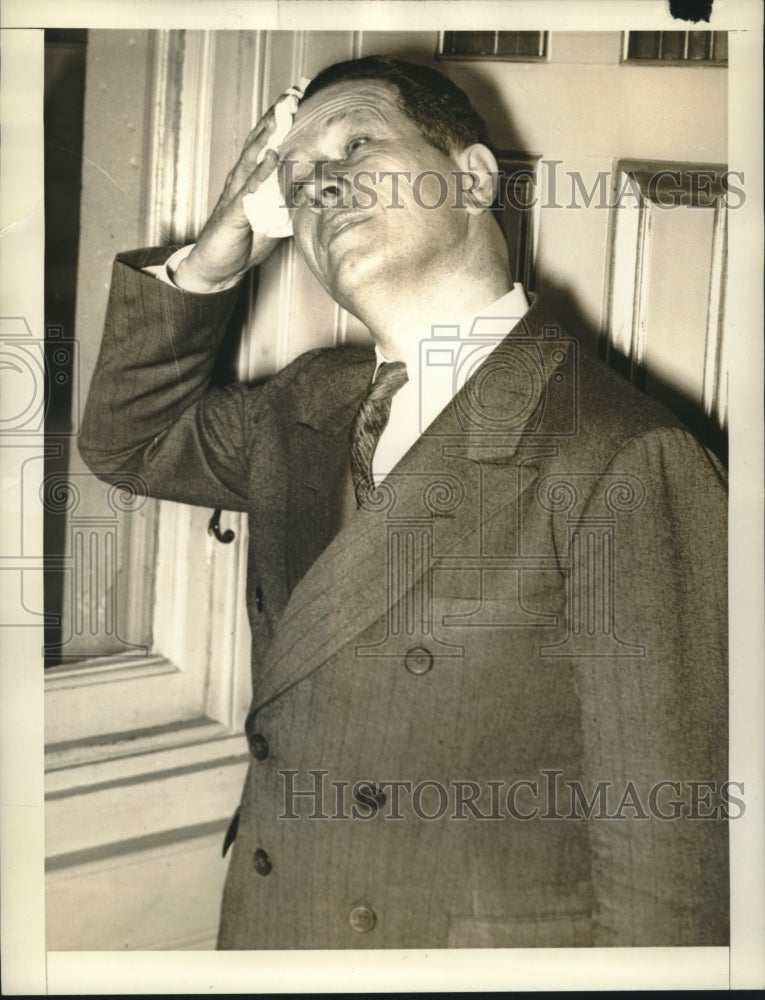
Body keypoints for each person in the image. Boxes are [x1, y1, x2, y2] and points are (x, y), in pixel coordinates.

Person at [79, 56, 728, 949]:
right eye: (297, 178)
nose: (322, 184)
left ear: (472, 178)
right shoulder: (305, 403)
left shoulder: (622, 453)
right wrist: (214, 250)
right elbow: (130, 443)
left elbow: (665, 855)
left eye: (357, 146)